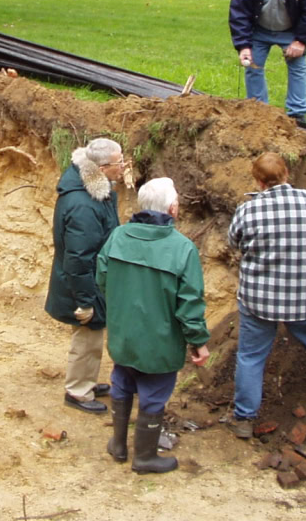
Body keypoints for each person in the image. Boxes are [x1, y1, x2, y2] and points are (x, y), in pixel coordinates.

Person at [226, 152, 306, 439]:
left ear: (259, 181)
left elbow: (234, 242)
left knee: (250, 357)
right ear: (286, 174)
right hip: (305, 298)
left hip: (259, 301)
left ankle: (244, 419)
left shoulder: (248, 211)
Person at [96, 177, 210, 474]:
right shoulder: (182, 249)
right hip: (160, 341)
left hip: (123, 333)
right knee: (154, 392)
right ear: (172, 208)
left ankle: (119, 445)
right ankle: (144, 456)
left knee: (122, 380)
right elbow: (190, 304)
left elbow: (102, 277)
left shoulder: (118, 236)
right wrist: (198, 342)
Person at [44, 138, 125, 414]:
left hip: (89, 282)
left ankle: (87, 380)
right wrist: (86, 301)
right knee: (87, 336)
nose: (124, 167)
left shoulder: (92, 192)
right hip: (83, 286)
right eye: (119, 162)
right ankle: (78, 391)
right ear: (102, 168)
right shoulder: (84, 206)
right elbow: (79, 259)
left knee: (92, 335)